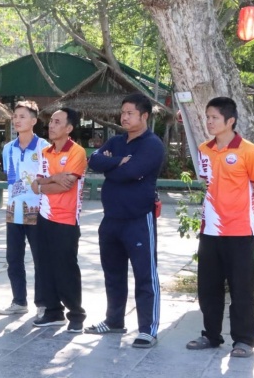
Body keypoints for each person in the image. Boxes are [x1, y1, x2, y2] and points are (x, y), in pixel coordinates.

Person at [186, 97, 254, 358]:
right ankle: (211, 335)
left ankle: (244, 340)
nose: (209, 122)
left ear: (230, 120)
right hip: (210, 229)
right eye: (207, 117)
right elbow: (207, 183)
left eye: (214, 118)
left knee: (241, 287)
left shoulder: (249, 150)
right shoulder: (204, 149)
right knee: (208, 286)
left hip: (240, 229)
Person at [85, 93, 165, 348]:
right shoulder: (116, 141)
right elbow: (94, 161)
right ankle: (114, 320)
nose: (124, 117)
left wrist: (112, 168)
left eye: (130, 113)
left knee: (145, 275)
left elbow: (132, 172)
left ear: (144, 116)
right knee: (113, 273)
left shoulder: (152, 144)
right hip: (111, 219)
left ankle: (148, 329)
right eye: (123, 113)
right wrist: (118, 161)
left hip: (138, 220)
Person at [31, 108, 87, 332]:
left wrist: (44, 184)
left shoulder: (77, 152)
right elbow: (35, 184)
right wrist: (52, 179)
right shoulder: (45, 152)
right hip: (44, 216)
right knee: (44, 266)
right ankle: (53, 312)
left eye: (57, 122)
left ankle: (76, 314)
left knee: (66, 268)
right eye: (51, 121)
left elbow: (67, 185)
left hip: (66, 220)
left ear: (69, 128)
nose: (51, 125)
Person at [0, 101, 50, 317]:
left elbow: (48, 178)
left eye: (22, 116)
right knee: (13, 259)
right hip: (13, 211)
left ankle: (43, 303)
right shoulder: (8, 148)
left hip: (38, 211)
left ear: (34, 121)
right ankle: (19, 301)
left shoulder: (44, 147)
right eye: (15, 116)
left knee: (41, 259)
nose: (17, 120)